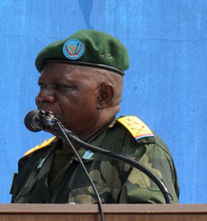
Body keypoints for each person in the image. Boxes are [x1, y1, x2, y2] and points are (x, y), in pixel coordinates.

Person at [10, 28, 178, 204]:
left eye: (62, 87)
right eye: (42, 86)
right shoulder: (34, 160)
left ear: (104, 95)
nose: (42, 97)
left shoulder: (134, 151)